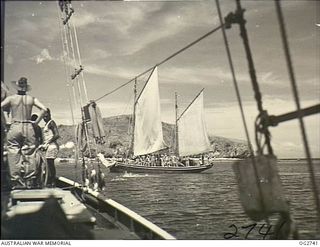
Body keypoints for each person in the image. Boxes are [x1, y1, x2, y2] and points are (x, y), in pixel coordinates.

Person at [1, 77, 47, 172]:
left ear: (17, 87)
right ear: (26, 88)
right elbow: (44, 109)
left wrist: (5, 123)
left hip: (15, 125)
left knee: (14, 154)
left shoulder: (11, 98)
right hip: (28, 126)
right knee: (30, 153)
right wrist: (36, 123)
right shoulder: (32, 99)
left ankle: (16, 181)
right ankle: (30, 180)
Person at [41, 108, 60, 187]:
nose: (44, 118)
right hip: (48, 146)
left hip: (52, 146)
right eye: (43, 117)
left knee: (50, 164)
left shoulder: (51, 123)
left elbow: (56, 135)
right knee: (48, 164)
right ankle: (50, 181)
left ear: (49, 115)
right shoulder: (46, 124)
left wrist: (48, 142)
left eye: (46, 116)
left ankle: (52, 182)